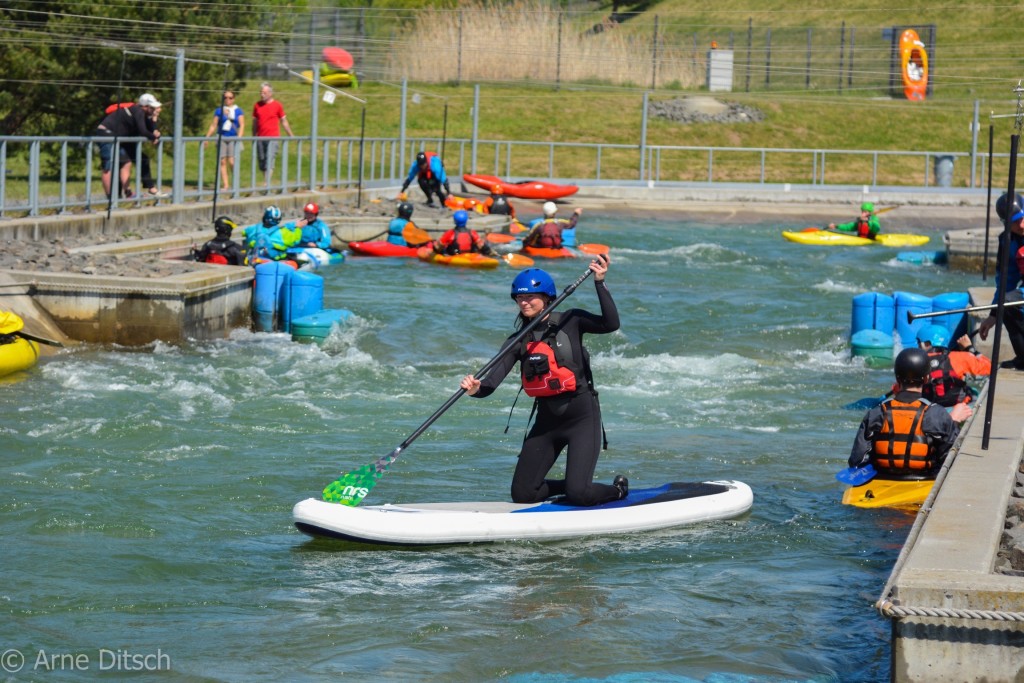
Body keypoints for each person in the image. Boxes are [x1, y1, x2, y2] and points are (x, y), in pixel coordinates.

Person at [459, 257, 628, 506]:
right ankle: (570, 487)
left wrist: (600, 282)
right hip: (547, 422)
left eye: (530, 297)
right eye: (519, 298)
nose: (523, 302)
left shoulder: (572, 320)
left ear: (547, 297)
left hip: (582, 417)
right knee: (523, 494)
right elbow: (491, 383)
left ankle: (617, 490)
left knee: (579, 495)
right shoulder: (518, 339)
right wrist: (475, 389)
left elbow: (610, 324)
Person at [849, 348, 971, 478]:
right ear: (926, 379)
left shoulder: (876, 413)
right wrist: (954, 423)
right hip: (923, 481)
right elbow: (951, 458)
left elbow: (857, 460)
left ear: (897, 378)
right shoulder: (937, 414)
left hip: (881, 481)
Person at [978, 192, 1024, 370]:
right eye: (1014, 221)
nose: (1020, 225)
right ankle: (1022, 357)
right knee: (1005, 302)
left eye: (1022, 218)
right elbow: (1006, 281)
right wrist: (993, 315)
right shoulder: (1007, 241)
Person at [94, 93, 162, 199]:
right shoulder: (137, 110)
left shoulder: (142, 113)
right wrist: (153, 138)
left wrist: (154, 119)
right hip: (105, 134)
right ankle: (110, 198)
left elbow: (150, 129)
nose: (154, 109)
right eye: (152, 107)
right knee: (108, 166)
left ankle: (128, 193)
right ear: (145, 106)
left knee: (126, 162)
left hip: (117, 137)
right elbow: (143, 131)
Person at [916, 324, 991, 408]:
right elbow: (989, 368)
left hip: (927, 407)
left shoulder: (915, 362)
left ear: (927, 344)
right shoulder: (961, 357)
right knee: (973, 391)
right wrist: (969, 348)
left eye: (919, 342)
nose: (918, 346)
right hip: (957, 407)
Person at [252, 83, 294, 187]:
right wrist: (253, 136)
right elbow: (255, 122)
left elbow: (284, 121)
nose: (262, 95)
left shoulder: (277, 105)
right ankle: (266, 181)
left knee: (269, 159)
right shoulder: (257, 105)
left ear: (270, 93)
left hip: (273, 137)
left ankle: (266, 183)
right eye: (261, 92)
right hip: (260, 137)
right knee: (262, 160)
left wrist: (290, 135)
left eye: (264, 93)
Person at [203, 90, 245, 191]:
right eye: (225, 97)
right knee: (222, 161)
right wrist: (207, 137)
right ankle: (226, 185)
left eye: (230, 98)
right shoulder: (219, 110)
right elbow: (214, 125)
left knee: (232, 161)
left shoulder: (238, 110)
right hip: (221, 137)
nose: (227, 100)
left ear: (233, 99)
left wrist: (239, 137)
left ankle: (235, 182)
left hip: (232, 137)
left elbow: (242, 124)